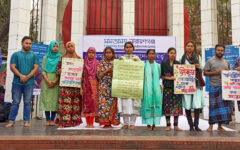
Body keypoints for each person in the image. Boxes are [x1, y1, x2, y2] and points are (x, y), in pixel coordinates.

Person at [6, 36, 39, 128]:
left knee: (27, 102)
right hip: (17, 83)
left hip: (29, 83)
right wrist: (21, 76)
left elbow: (36, 68)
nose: (28, 45)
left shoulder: (34, 55)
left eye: (30, 43)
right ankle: (11, 121)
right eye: (26, 43)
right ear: (22, 43)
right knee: (15, 102)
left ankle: (26, 121)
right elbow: (12, 67)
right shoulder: (16, 54)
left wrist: (27, 77)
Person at [204, 44, 232, 132]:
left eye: (222, 50)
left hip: (224, 87)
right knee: (213, 106)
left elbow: (229, 74)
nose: (220, 52)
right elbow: (205, 73)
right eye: (218, 50)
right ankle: (211, 126)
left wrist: (227, 72)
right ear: (215, 51)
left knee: (223, 108)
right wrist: (216, 72)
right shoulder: (210, 61)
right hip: (213, 86)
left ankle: (220, 126)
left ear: (224, 52)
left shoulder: (226, 62)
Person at [55, 41, 82, 128]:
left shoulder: (79, 59)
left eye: (72, 46)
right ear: (66, 48)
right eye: (68, 46)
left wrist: (81, 86)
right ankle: (64, 122)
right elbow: (57, 70)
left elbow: (82, 73)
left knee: (75, 104)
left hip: (75, 85)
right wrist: (59, 71)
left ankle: (74, 122)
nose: (70, 48)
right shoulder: (63, 59)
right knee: (65, 104)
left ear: (74, 47)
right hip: (65, 85)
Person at [181, 41, 205, 131]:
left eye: (191, 46)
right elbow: (179, 70)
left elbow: (203, 68)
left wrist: (198, 66)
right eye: (188, 46)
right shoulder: (182, 58)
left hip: (196, 84)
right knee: (187, 105)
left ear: (193, 48)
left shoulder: (198, 57)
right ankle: (190, 125)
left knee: (197, 105)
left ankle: (196, 125)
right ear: (185, 47)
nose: (190, 47)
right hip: (186, 85)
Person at [118, 41, 141, 130]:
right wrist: (119, 63)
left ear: (133, 49)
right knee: (125, 104)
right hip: (124, 85)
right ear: (124, 49)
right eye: (127, 47)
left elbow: (141, 69)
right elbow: (118, 71)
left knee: (134, 104)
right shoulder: (121, 58)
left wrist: (138, 62)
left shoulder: (137, 58)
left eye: (130, 47)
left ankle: (132, 123)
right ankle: (125, 123)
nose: (128, 49)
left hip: (134, 85)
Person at [97, 47, 120, 128]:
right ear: (104, 54)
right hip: (103, 87)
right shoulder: (101, 63)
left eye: (110, 52)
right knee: (104, 105)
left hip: (113, 86)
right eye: (106, 52)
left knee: (112, 104)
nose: (108, 54)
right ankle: (105, 123)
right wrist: (108, 70)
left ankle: (111, 122)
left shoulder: (116, 63)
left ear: (113, 54)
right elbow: (98, 75)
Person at [39, 41, 61, 126]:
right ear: (50, 47)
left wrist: (55, 81)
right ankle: (47, 119)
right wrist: (48, 80)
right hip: (46, 80)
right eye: (53, 46)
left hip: (56, 80)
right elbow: (43, 70)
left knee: (54, 100)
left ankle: (52, 119)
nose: (55, 48)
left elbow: (61, 70)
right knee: (47, 99)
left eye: (57, 46)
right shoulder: (45, 57)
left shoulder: (60, 57)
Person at [161, 47, 183, 131]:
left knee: (176, 106)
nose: (173, 54)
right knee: (167, 107)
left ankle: (176, 125)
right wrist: (169, 78)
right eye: (171, 53)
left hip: (177, 88)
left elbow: (182, 75)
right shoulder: (163, 64)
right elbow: (161, 75)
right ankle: (168, 125)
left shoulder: (178, 63)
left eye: (174, 53)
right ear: (168, 53)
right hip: (167, 87)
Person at [141, 49, 162, 131]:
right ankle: (148, 124)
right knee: (147, 105)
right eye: (149, 54)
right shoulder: (143, 65)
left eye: (153, 54)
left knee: (156, 106)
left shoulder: (158, 66)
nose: (151, 55)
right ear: (147, 55)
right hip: (147, 89)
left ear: (155, 55)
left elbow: (160, 76)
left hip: (156, 89)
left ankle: (154, 124)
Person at [82, 47, 99, 128]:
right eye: (89, 52)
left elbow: (98, 76)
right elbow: (81, 75)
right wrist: (81, 87)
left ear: (95, 54)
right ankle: (87, 122)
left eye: (93, 52)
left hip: (94, 86)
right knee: (86, 104)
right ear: (87, 53)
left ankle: (91, 123)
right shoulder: (83, 63)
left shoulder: (97, 63)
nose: (91, 54)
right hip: (85, 86)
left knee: (92, 104)